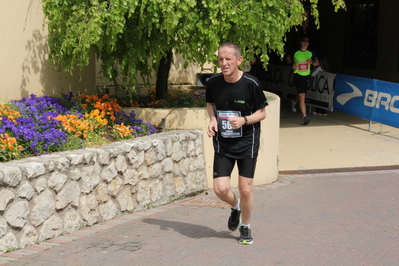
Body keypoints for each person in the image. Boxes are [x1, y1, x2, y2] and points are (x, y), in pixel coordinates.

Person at [205, 42, 268, 245]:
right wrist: (212, 120)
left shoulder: (251, 83)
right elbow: (210, 104)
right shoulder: (213, 83)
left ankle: (246, 226)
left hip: (247, 143)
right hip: (223, 143)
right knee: (220, 189)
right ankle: (235, 207)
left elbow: (262, 112)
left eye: (228, 59)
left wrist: (244, 120)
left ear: (238, 60)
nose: (224, 63)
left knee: (246, 188)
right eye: (220, 59)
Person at [286, 36, 319, 125]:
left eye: (307, 41)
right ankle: (305, 116)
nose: (305, 43)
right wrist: (292, 64)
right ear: (300, 42)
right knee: (302, 96)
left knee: (302, 95)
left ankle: (293, 101)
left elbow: (317, 62)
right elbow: (288, 58)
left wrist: (311, 63)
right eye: (304, 41)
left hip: (307, 76)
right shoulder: (295, 52)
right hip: (298, 75)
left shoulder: (311, 52)